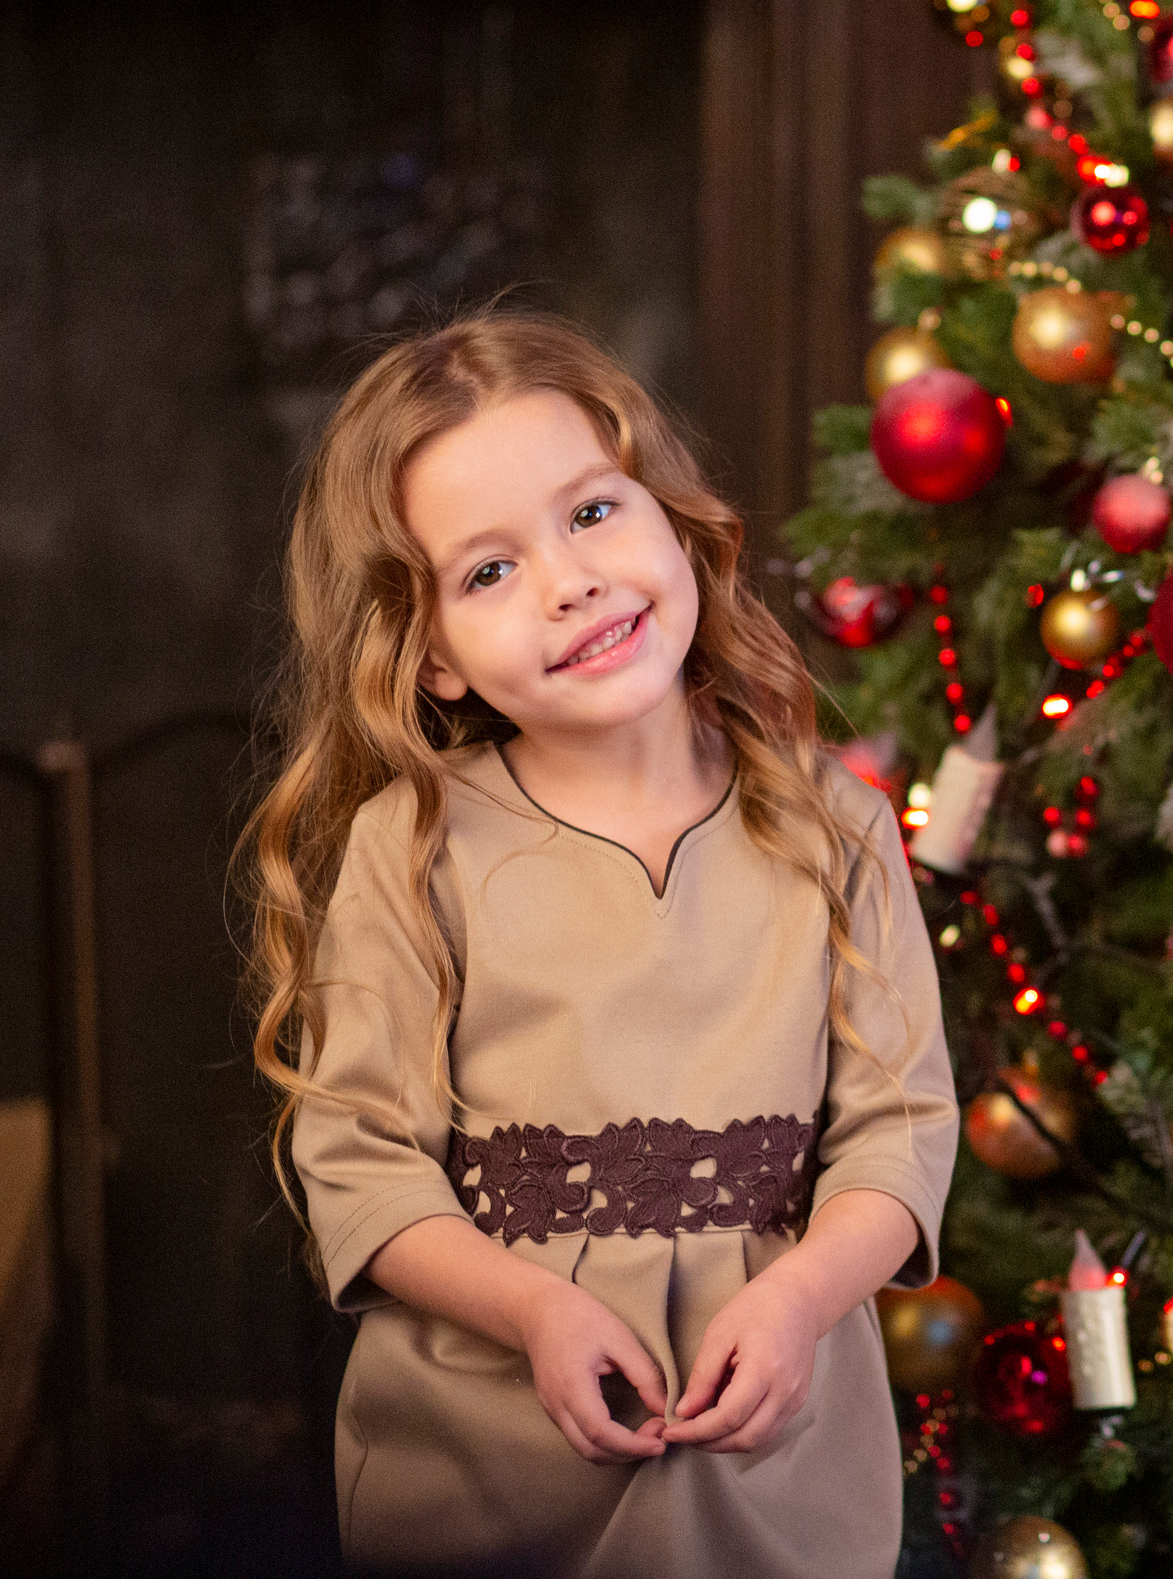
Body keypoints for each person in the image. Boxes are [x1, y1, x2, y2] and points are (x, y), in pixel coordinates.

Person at [242, 308, 959, 1578]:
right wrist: (535, 1309)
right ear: (435, 658)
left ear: (669, 520)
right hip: (492, 1433)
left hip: (773, 1436)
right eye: (487, 571)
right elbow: (360, 1169)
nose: (568, 581)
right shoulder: (414, 851)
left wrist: (798, 1300)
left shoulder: (831, 824)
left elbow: (897, 1132)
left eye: (588, 514)